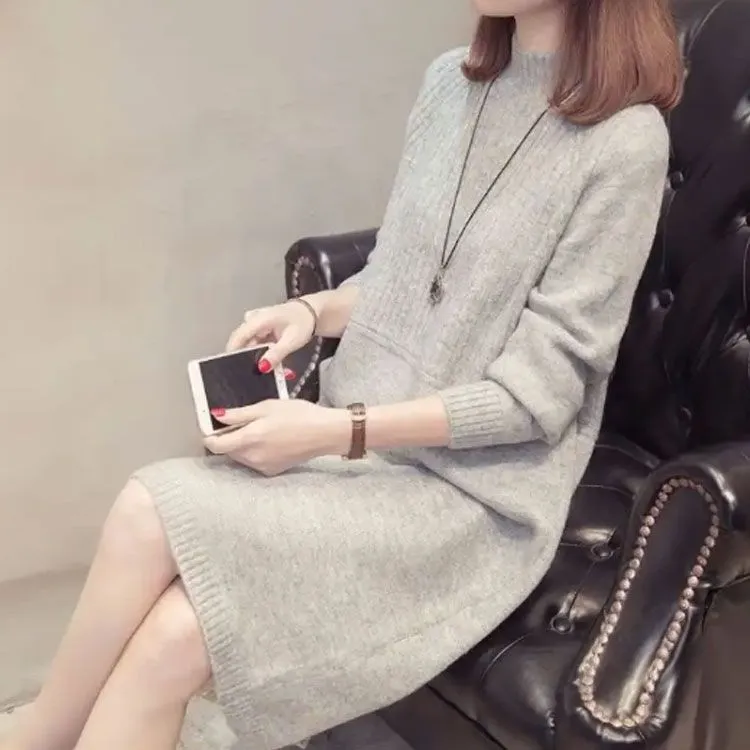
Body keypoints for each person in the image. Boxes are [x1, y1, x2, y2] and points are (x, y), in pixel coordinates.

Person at [4, 1, 684, 749]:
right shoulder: (450, 85)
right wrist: (313, 311)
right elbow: (408, 274)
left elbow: (538, 397)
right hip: (363, 452)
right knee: (157, 573)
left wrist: (335, 431)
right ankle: (42, 731)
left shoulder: (624, 142)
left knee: (163, 583)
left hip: (472, 498)